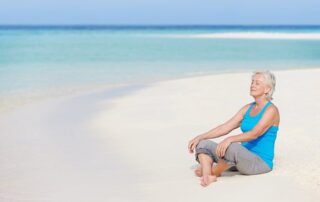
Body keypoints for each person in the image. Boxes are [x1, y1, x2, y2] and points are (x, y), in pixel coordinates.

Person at [188, 70, 280, 187]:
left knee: (232, 146)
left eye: (257, 83)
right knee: (203, 144)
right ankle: (207, 175)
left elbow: (254, 134)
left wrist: (230, 139)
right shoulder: (247, 108)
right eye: (252, 82)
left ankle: (216, 170)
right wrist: (200, 136)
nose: (252, 85)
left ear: (267, 89)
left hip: (259, 163)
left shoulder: (271, 110)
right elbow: (225, 127)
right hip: (239, 158)